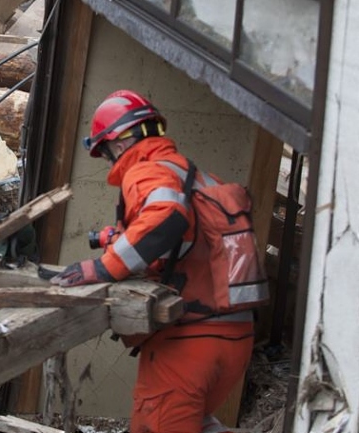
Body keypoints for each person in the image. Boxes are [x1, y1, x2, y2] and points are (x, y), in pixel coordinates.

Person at [50, 90, 266, 433]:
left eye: (105, 153)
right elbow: (175, 247)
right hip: (234, 339)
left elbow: (166, 218)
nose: (109, 163)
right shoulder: (197, 178)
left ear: (118, 144)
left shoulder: (145, 171)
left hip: (188, 343)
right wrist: (118, 240)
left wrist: (101, 268)